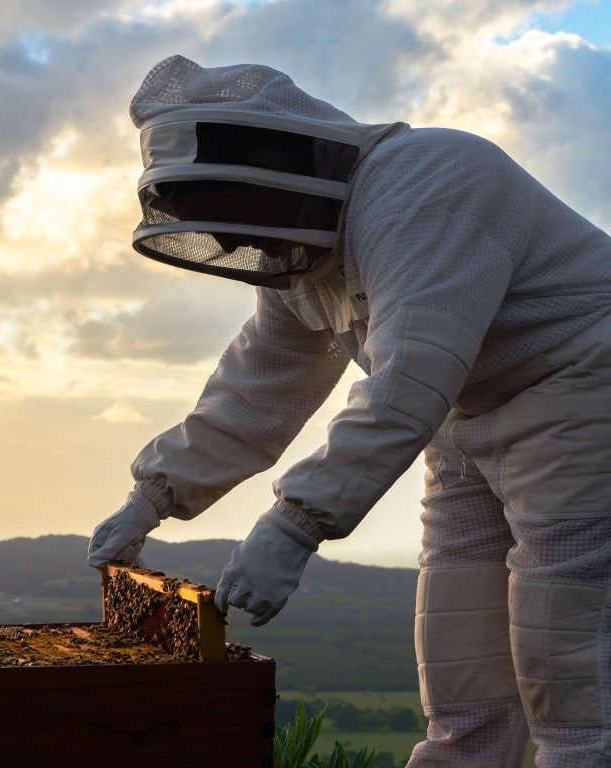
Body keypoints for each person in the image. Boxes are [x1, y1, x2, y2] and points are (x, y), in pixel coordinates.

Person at [87, 54, 611, 766]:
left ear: (274, 162)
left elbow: (407, 377)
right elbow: (258, 387)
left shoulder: (429, 182)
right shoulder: (303, 252)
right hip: (461, 420)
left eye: (226, 210)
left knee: (568, 668)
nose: (233, 243)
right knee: (461, 672)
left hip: (581, 391)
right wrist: (151, 497)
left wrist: (294, 523)